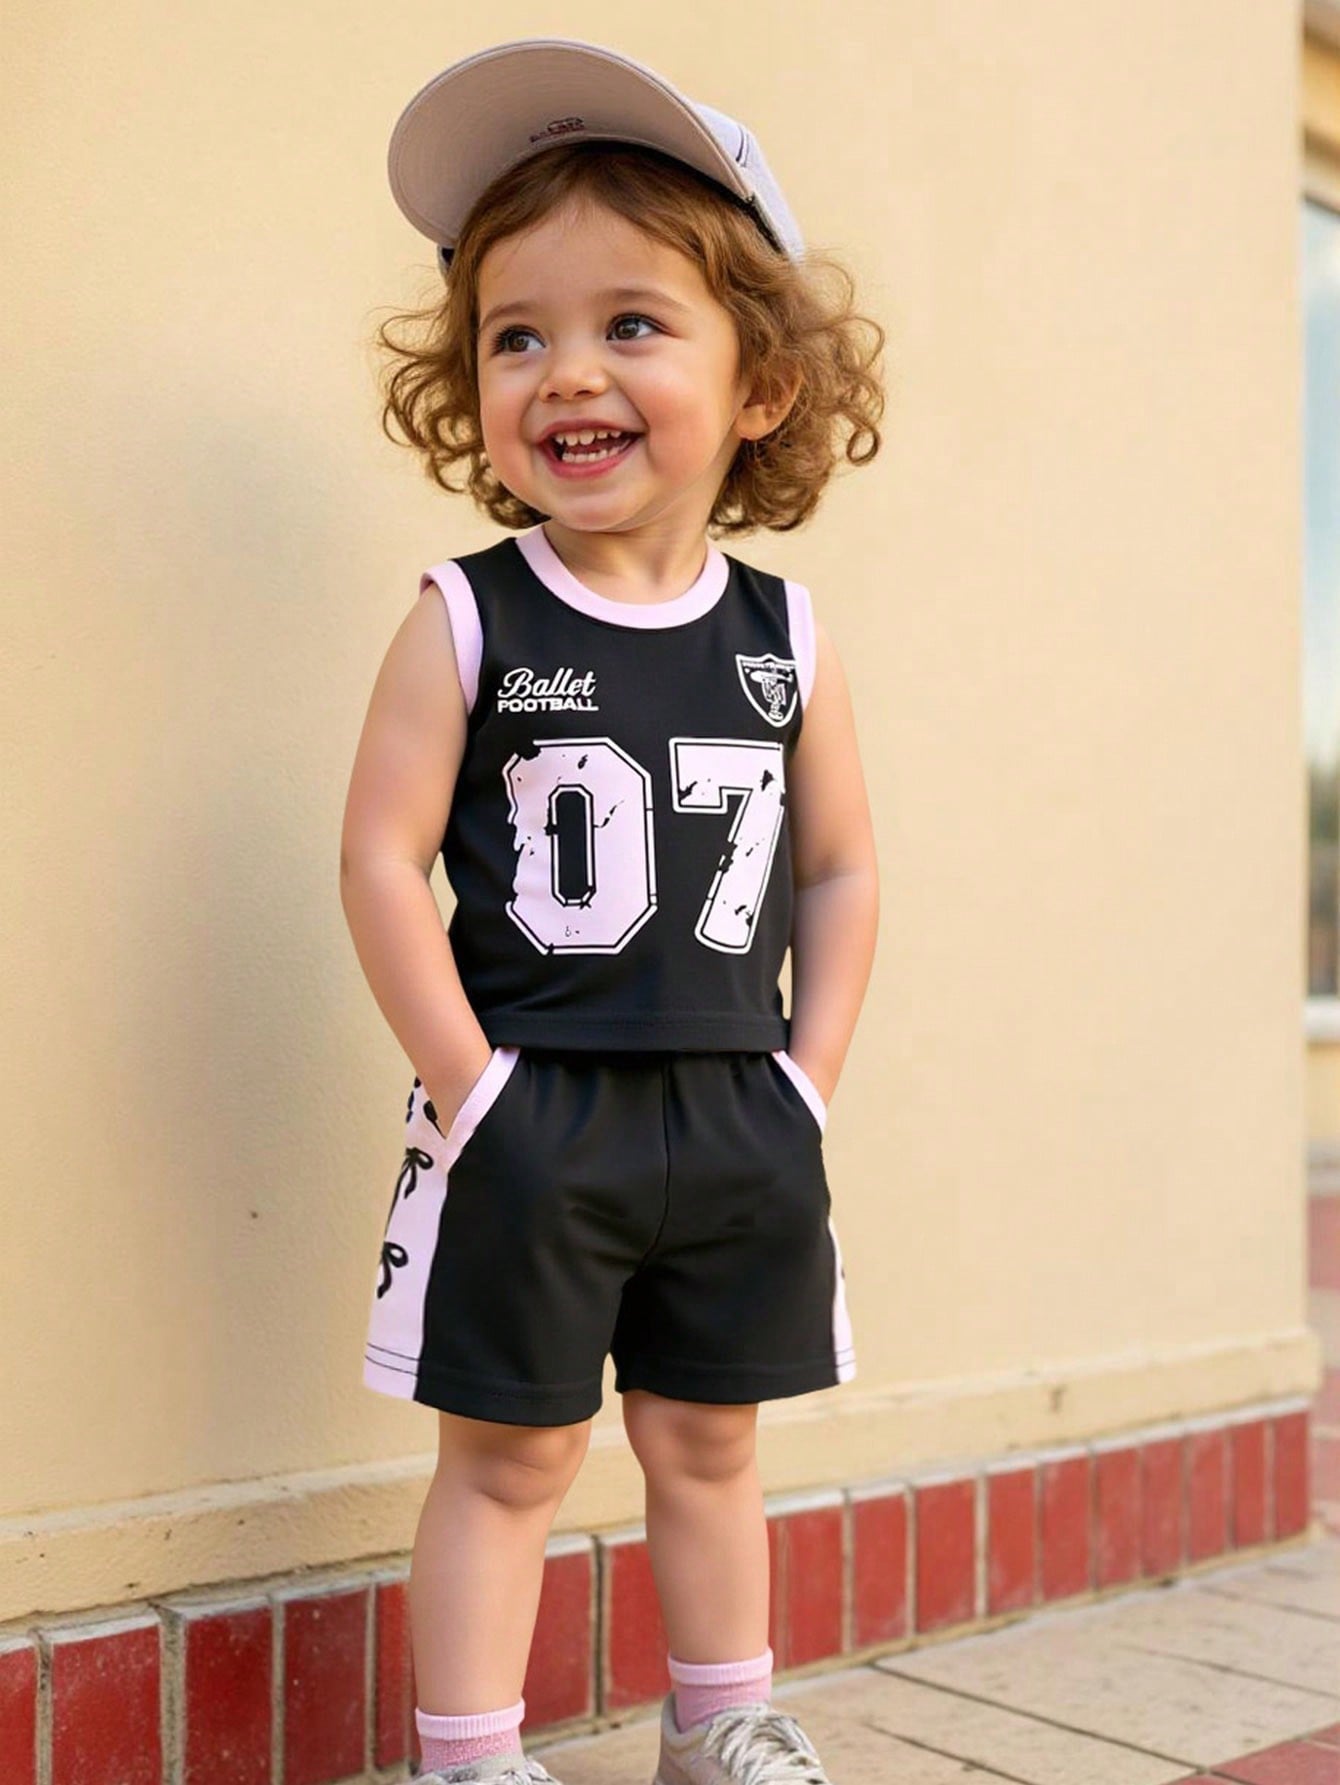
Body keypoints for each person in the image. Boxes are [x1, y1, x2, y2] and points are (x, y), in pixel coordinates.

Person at [340, 36, 884, 1785]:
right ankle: (469, 1756)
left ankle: (720, 1722)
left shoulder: (787, 638)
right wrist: (472, 1088)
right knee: (508, 1455)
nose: (567, 369)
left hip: (735, 1109)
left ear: (762, 384)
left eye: (631, 322)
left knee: (709, 1438)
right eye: (518, 334)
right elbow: (380, 857)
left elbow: (839, 864)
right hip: (532, 1104)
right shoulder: (467, 615)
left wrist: (806, 1081)